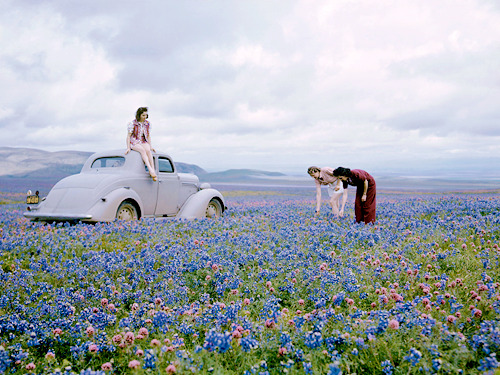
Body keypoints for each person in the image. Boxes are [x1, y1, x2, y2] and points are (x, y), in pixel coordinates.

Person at [125, 107, 157, 181]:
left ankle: (153, 169)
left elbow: (148, 136)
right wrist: (128, 147)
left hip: (143, 141)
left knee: (148, 150)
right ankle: (150, 169)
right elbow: (128, 136)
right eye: (143, 115)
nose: (145, 117)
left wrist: (150, 146)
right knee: (142, 150)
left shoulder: (147, 124)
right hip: (134, 141)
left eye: (146, 115)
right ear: (139, 115)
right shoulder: (132, 123)